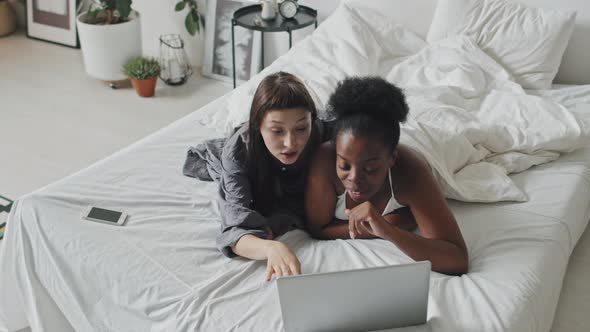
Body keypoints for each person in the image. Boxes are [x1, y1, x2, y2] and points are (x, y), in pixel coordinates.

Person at [305, 76, 468, 275]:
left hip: (428, 146)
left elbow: (457, 259)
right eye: (344, 165)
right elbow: (317, 229)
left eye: (370, 169)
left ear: (392, 159)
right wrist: (387, 224)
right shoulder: (324, 160)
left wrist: (388, 231)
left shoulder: (411, 172)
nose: (354, 179)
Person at [214, 71, 327, 281]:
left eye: (301, 128)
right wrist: (270, 248)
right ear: (258, 126)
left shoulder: (323, 132)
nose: (290, 143)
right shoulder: (239, 152)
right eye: (277, 131)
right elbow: (234, 228)